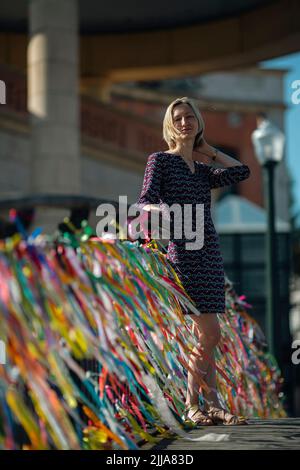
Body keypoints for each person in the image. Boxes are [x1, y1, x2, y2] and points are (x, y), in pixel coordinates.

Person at [136, 97, 251, 426]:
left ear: (198, 122)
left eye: (190, 117)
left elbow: (242, 171)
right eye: (178, 118)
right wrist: (165, 211)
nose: (184, 122)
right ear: (170, 126)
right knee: (210, 333)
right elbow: (145, 201)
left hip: (210, 253)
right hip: (183, 253)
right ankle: (191, 403)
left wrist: (208, 149)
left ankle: (212, 405)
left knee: (206, 336)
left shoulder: (202, 170)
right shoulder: (160, 161)